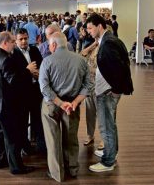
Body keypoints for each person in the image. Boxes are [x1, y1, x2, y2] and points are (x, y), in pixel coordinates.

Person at [39, 32, 92, 182]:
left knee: (53, 139)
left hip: (52, 105)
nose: (49, 46)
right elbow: (88, 85)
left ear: (54, 45)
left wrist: (61, 103)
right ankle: (73, 169)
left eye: (49, 44)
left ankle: (57, 173)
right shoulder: (81, 60)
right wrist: (74, 102)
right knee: (71, 137)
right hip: (73, 105)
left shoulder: (47, 61)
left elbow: (44, 88)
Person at [86, 13, 133, 173]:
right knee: (109, 124)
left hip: (108, 92)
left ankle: (108, 161)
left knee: (106, 126)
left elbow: (120, 68)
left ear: (100, 26)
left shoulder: (108, 43)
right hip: (107, 90)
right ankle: (111, 152)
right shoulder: (109, 40)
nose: (89, 32)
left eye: (91, 28)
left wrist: (114, 90)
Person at [0, 31, 36, 175]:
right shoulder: (5, 58)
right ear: (5, 42)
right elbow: (14, 81)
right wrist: (27, 71)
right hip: (6, 104)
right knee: (12, 137)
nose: (15, 44)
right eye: (13, 42)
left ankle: (0, 160)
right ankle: (16, 167)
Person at [11, 28, 46, 155]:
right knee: (23, 121)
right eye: (21, 39)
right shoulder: (13, 54)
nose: (24, 41)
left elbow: (42, 66)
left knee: (38, 120)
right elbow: (14, 76)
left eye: (25, 38)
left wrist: (39, 75)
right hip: (22, 93)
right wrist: (28, 72)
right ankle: (25, 147)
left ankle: (41, 147)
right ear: (16, 40)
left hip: (36, 90)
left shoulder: (35, 50)